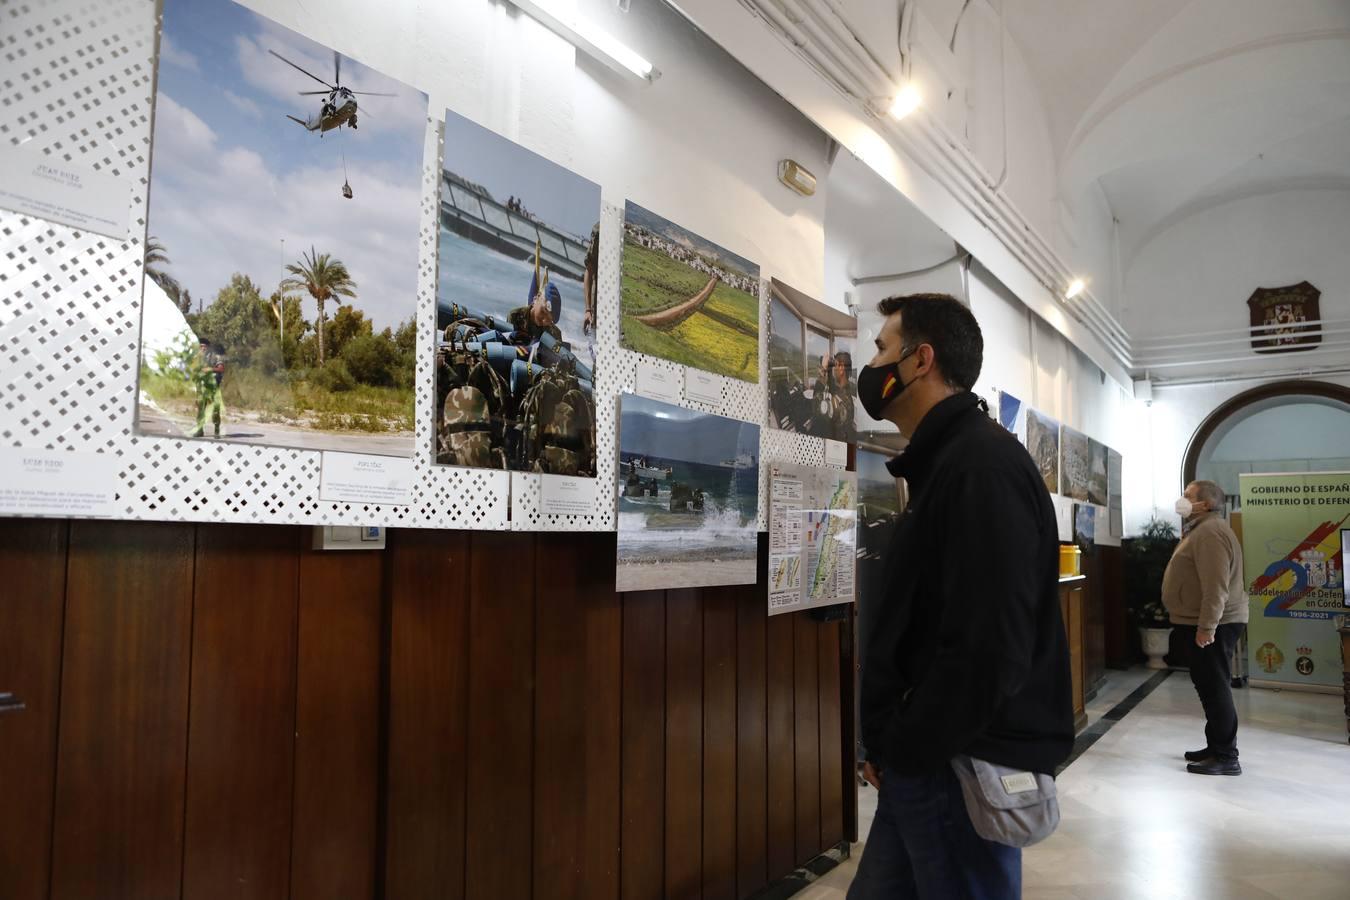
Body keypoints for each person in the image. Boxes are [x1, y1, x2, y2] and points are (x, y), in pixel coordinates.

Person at [849, 293, 1073, 900]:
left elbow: (987, 646)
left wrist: (908, 745)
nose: (871, 365)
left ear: (920, 361)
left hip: (956, 765)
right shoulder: (949, 461)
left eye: (881, 348)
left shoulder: (979, 468)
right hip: (928, 761)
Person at [1162, 480, 1247, 776]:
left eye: (1188, 496)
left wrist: (1207, 627)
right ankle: (1216, 746)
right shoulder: (1202, 528)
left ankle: (1226, 757)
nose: (1182, 500)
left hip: (1215, 623)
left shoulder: (1211, 532)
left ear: (1206, 504)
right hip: (1204, 621)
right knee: (1210, 687)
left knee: (1215, 688)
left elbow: (1216, 586)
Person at [507, 279, 563, 345]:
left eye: (549, 319)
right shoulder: (515, 316)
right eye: (543, 312)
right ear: (537, 298)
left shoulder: (555, 334)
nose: (544, 320)